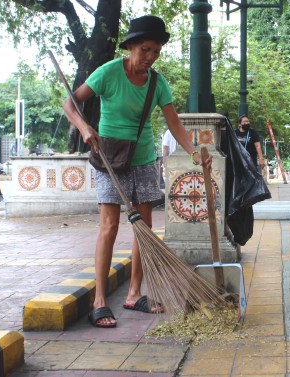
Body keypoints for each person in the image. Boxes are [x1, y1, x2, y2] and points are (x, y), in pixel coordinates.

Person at [62, 15, 211, 328]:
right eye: (145, 49)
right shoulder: (108, 73)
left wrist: (195, 153)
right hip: (108, 158)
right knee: (109, 228)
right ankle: (100, 300)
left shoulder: (157, 82)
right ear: (130, 47)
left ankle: (133, 294)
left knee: (143, 228)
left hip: (142, 160)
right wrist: (84, 126)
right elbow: (69, 103)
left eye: (156, 51)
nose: (150, 57)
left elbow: (175, 124)